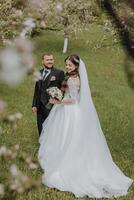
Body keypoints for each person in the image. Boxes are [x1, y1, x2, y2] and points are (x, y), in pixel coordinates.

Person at [38, 55, 133, 198]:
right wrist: (59, 96)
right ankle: (57, 153)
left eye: (70, 65)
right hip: (66, 109)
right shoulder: (71, 76)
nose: (67, 67)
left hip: (70, 111)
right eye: (67, 65)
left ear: (76, 66)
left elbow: (73, 100)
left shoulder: (74, 79)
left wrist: (59, 101)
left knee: (68, 137)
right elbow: (67, 93)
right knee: (61, 135)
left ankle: (66, 162)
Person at [32, 53, 65, 135]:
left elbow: (64, 89)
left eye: (51, 59)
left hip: (51, 105)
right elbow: (37, 90)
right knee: (40, 124)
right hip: (40, 104)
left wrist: (58, 99)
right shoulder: (39, 73)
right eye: (47, 60)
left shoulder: (59, 73)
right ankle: (42, 143)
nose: (50, 61)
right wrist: (34, 105)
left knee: (51, 125)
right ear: (42, 61)